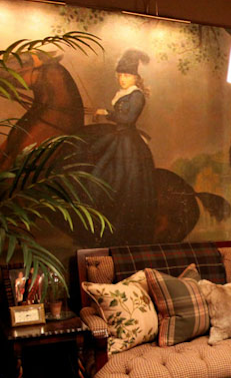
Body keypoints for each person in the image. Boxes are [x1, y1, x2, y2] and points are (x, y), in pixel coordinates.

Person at [85, 48, 157, 244]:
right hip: (117, 138)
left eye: (127, 75)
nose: (123, 79)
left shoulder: (137, 95)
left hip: (129, 145)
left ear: (135, 77)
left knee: (122, 184)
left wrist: (106, 113)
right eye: (120, 75)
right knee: (97, 174)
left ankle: (118, 232)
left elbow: (128, 119)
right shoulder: (122, 93)